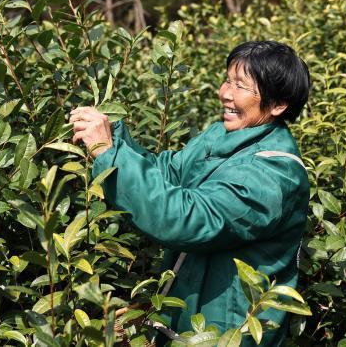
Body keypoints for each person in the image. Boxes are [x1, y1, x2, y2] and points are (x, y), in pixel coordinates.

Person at [70, 41, 311, 346]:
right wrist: (115, 140)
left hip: (226, 334)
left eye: (241, 85)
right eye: (227, 80)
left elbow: (187, 218)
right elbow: (168, 173)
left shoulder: (273, 177)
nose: (225, 93)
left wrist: (108, 154)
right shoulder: (224, 135)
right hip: (184, 320)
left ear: (278, 105)